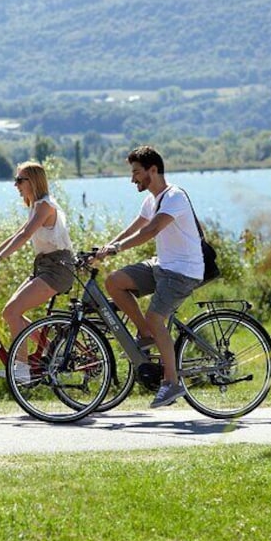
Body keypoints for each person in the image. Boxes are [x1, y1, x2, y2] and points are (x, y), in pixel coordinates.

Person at [94, 146, 203, 408]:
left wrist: (117, 249)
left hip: (182, 271)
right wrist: (103, 250)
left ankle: (172, 383)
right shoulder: (151, 200)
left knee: (156, 319)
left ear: (153, 170)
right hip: (162, 266)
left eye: (136, 173)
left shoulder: (174, 197)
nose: (133, 179)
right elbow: (134, 228)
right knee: (114, 282)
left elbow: (151, 230)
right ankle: (145, 332)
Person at [0, 161, 75, 382]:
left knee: (13, 312)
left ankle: (21, 370)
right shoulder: (35, 206)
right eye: (16, 180)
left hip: (57, 268)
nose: (16, 185)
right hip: (44, 266)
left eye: (20, 180)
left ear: (34, 181)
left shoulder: (45, 206)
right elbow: (17, 234)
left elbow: (25, 235)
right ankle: (51, 352)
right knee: (9, 312)